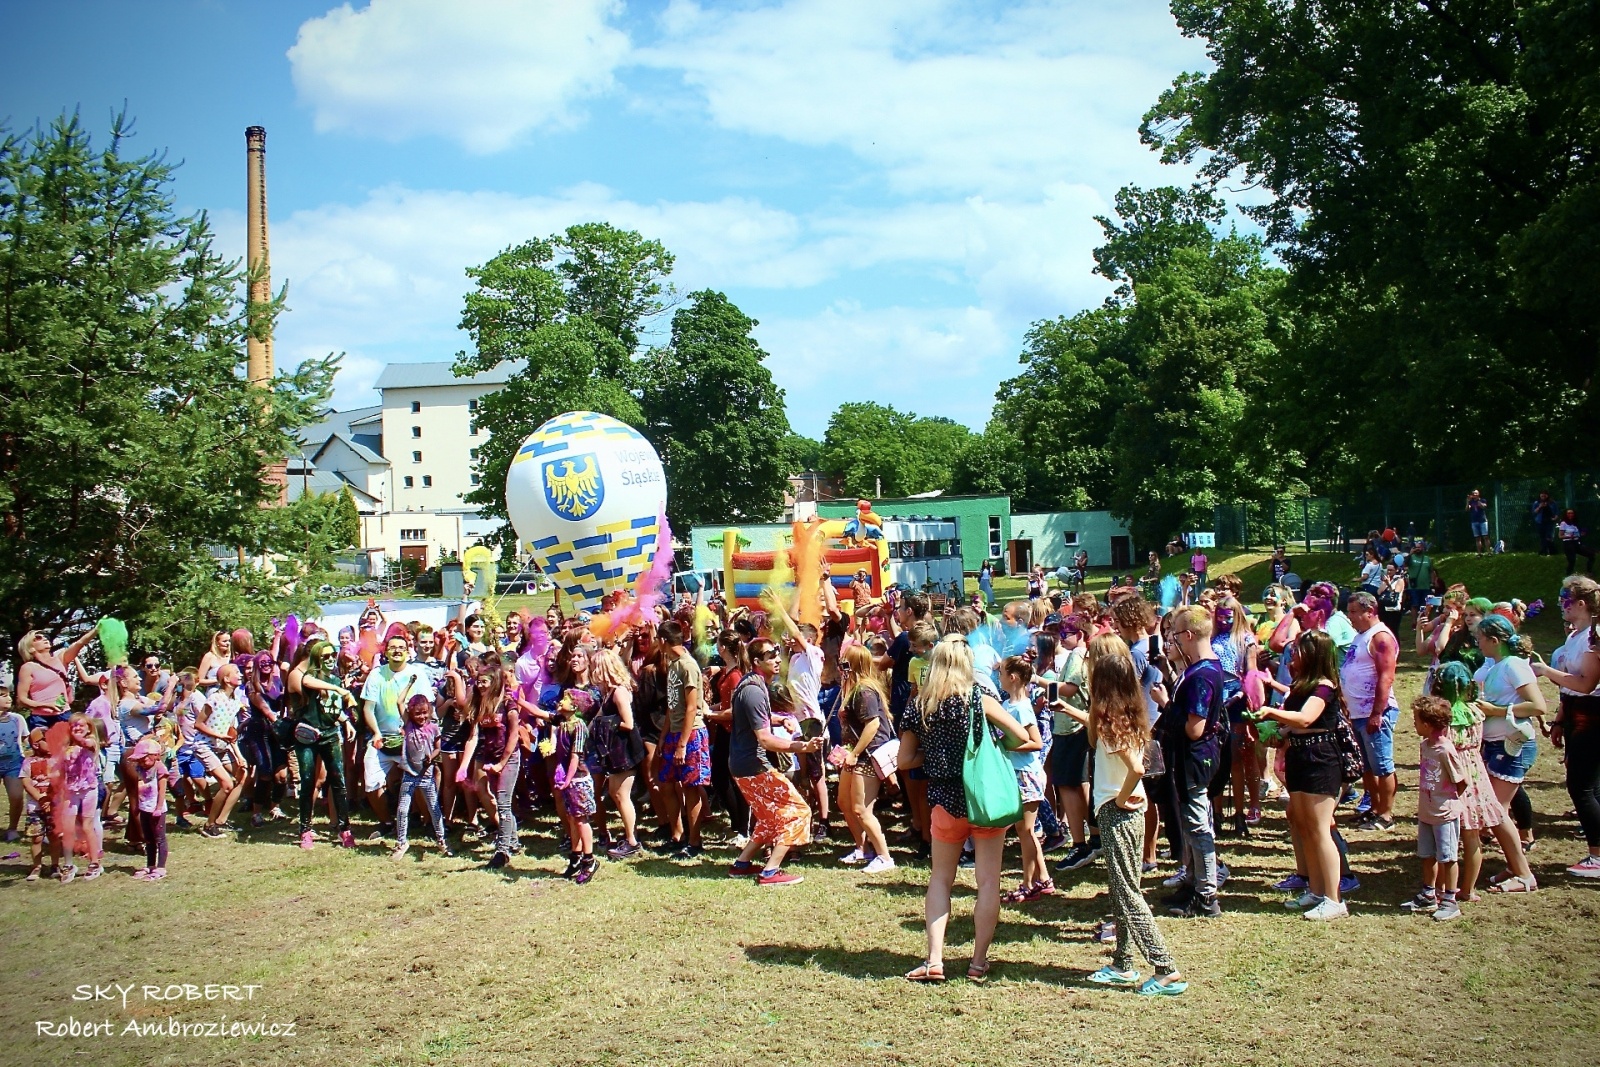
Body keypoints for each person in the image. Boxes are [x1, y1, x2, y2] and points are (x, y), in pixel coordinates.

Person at [898, 635, 1031, 983]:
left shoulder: (919, 705)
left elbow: (905, 760)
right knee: (987, 881)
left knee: (940, 879)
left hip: (943, 799)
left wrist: (936, 757)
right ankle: (977, 961)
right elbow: (1023, 737)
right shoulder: (979, 699)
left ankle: (935, 960)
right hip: (983, 797)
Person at [1085, 643, 1187, 995]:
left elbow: (1136, 767)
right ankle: (1122, 963)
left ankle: (1165, 967)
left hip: (1119, 812)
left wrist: (1124, 793)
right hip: (1122, 810)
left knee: (1128, 893)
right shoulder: (1126, 714)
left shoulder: (1111, 719)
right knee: (1121, 888)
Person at [727, 641, 823, 886]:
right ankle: (770, 872)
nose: (778, 659)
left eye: (777, 654)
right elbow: (765, 739)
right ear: (757, 662)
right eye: (771, 656)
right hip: (753, 765)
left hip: (743, 764)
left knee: (769, 818)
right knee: (799, 811)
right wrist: (799, 746)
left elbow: (756, 715)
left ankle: (741, 865)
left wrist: (779, 719)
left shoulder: (753, 685)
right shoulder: (754, 690)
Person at [1158, 607, 1226, 918]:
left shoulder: (1203, 676)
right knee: (1189, 822)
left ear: (1188, 636)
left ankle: (1206, 893)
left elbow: (1194, 728)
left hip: (1196, 758)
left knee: (1199, 826)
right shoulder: (1197, 669)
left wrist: (1166, 704)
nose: (1172, 642)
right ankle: (1192, 879)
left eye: (1175, 636)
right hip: (1189, 758)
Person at [1472, 615, 1545, 893]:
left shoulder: (1513, 665)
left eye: (1480, 639)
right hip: (1495, 744)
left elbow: (1538, 706)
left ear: (1494, 640)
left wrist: (1497, 711)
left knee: (1497, 812)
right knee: (1494, 812)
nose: (1477, 644)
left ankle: (1524, 875)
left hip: (1513, 746)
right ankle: (1514, 867)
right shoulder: (1496, 665)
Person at [1536, 575, 1600, 877]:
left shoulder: (1593, 637)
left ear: (1581, 604)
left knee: (1581, 787)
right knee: (1587, 785)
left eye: (1566, 601)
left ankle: (1597, 855)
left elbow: (1586, 684)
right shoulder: (1576, 635)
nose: (1561, 606)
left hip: (1593, 715)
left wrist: (1545, 670)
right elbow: (1569, 688)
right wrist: (1560, 719)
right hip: (1576, 713)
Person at [1401, 695, 1468, 920]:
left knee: (1447, 857)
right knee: (1427, 854)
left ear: (1427, 724)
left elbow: (1461, 779)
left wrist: (1447, 800)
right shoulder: (1425, 746)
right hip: (1427, 812)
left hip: (1444, 813)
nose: (1414, 724)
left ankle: (1450, 900)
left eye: (1416, 720)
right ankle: (1428, 895)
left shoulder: (1445, 750)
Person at [359, 633, 431, 841]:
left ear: (408, 651)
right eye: (392, 647)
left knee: (421, 782)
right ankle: (387, 823)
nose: (397, 650)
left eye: (401, 647)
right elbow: (368, 708)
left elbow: (428, 707)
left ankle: (427, 822)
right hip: (382, 739)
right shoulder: (376, 675)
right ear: (386, 651)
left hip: (411, 738)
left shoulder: (417, 675)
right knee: (372, 783)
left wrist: (415, 732)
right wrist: (376, 733)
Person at [287, 639, 355, 849]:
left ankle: (345, 830)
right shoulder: (300, 676)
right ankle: (305, 830)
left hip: (329, 734)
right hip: (306, 736)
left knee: (338, 781)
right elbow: (307, 684)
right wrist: (340, 690)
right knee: (307, 782)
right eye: (324, 656)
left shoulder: (331, 678)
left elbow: (329, 707)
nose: (329, 660)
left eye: (330, 656)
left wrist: (345, 721)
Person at [1342, 592, 1400, 832]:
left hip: (1374, 712)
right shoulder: (1360, 636)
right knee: (1367, 766)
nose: (1350, 617)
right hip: (1357, 712)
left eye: (1354, 612)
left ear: (1370, 611)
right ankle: (1374, 807)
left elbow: (1386, 677)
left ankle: (1386, 813)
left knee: (1382, 765)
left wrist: (1377, 712)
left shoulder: (1381, 637)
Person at [458, 653, 521, 870]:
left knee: (503, 804)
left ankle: (502, 852)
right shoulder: (480, 705)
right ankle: (513, 842)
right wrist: (463, 766)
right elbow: (473, 737)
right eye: (478, 683)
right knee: (498, 801)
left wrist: (502, 764)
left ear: (494, 682)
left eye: (484, 682)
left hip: (509, 757)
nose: (480, 685)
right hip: (489, 757)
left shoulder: (508, 705)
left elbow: (514, 736)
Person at [837, 643, 896, 874]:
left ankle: (884, 856)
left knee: (862, 808)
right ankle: (863, 848)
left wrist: (854, 754)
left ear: (853, 665)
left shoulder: (865, 691)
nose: (841, 668)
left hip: (867, 755)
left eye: (844, 664)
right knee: (844, 802)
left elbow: (873, 724)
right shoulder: (854, 688)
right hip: (855, 754)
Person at [656, 620, 709, 860]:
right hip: (674, 733)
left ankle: (695, 841)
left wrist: (682, 744)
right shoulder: (673, 664)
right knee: (666, 783)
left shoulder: (688, 666)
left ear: (663, 641)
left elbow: (691, 708)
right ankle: (676, 835)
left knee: (690, 787)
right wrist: (664, 736)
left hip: (691, 734)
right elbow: (672, 706)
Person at [997, 656, 1048, 901]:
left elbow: (1035, 742)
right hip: (1016, 773)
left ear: (1013, 678)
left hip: (1026, 774)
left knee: (1026, 831)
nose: (1000, 677)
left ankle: (1031, 883)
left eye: (1002, 674)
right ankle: (1042, 879)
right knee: (1024, 830)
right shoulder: (1008, 705)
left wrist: (1005, 746)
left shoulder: (1021, 708)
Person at [590, 648, 645, 860]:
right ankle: (629, 835)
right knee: (615, 793)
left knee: (622, 795)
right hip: (614, 751)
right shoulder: (608, 693)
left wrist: (606, 724)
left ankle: (632, 841)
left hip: (626, 751)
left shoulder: (620, 692)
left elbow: (628, 723)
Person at [391, 693, 452, 860]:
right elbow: (399, 701)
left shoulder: (433, 727)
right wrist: (410, 684)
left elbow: (438, 747)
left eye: (425, 712)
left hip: (426, 775)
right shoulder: (408, 724)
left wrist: (431, 757)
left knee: (434, 808)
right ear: (410, 713)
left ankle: (441, 840)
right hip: (409, 774)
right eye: (417, 713)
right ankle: (401, 842)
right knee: (403, 809)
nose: (421, 717)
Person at [553, 687, 597, 883]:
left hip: (578, 778)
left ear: (575, 706)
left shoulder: (578, 726)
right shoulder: (563, 722)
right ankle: (576, 855)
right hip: (568, 779)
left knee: (581, 819)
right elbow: (539, 713)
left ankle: (589, 859)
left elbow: (575, 756)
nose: (560, 701)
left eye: (565, 699)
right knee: (572, 818)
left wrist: (568, 779)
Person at [15, 628, 94, 729]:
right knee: (44, 745)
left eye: (46, 637)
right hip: (41, 719)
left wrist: (96, 629)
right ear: (30, 648)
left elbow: (80, 643)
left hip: (64, 714)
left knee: (69, 744)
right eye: (38, 638)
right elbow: (22, 699)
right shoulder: (28, 668)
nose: (45, 639)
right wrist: (45, 705)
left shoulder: (61, 659)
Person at [128, 736, 172, 880]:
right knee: (148, 839)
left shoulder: (160, 769)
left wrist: (158, 808)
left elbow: (162, 790)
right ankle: (150, 864)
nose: (142, 762)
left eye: (144, 759)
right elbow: (137, 788)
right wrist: (136, 806)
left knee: (160, 838)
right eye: (139, 760)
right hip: (144, 808)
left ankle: (161, 867)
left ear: (155, 756)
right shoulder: (140, 769)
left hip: (155, 809)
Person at [1559, 509, 1596, 575]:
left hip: (1576, 543)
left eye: (1572, 513)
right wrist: (1569, 537)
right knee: (1572, 560)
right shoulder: (1563, 523)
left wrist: (1581, 534)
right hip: (1568, 543)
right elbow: (1560, 536)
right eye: (1568, 513)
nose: (1570, 515)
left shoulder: (1575, 523)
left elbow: (1578, 534)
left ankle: (1589, 571)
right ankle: (1568, 575)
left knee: (1591, 554)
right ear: (1566, 514)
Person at [1533, 492, 1559, 556]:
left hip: (1550, 521)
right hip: (1540, 521)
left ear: (1547, 496)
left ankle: (1551, 551)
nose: (1543, 497)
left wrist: (1555, 518)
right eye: (1542, 496)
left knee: (1549, 537)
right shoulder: (1537, 503)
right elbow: (1534, 512)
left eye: (1544, 496)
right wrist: (1540, 507)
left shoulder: (1552, 503)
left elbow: (1557, 512)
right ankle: (1544, 551)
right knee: (1542, 537)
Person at [1466, 489, 1490, 554]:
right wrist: (1468, 501)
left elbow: (1484, 507)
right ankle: (1479, 553)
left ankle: (1489, 552)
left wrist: (1478, 501)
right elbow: (1467, 509)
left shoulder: (1483, 500)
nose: (1474, 495)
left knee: (1485, 537)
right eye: (1473, 494)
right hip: (1474, 521)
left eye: (1476, 493)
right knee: (1477, 538)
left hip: (1482, 521)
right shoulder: (1471, 502)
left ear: (1478, 494)